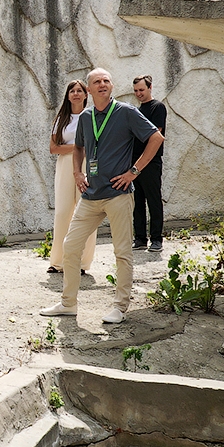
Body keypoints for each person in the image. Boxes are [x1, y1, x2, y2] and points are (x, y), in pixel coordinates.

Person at [41, 68, 164, 324]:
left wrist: (133, 171)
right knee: (70, 246)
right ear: (89, 89)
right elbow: (79, 147)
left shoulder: (127, 112)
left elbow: (156, 137)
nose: (102, 84)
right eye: (97, 81)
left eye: (107, 80)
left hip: (118, 194)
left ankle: (119, 307)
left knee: (122, 252)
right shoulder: (86, 117)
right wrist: (77, 172)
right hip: (91, 195)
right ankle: (68, 303)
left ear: (112, 86)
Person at [48, 80, 96, 275]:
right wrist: (78, 146)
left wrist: (79, 148)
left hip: (88, 165)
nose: (76, 93)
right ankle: (58, 262)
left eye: (80, 90)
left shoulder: (93, 116)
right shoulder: (61, 119)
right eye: (72, 91)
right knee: (63, 213)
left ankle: (82, 263)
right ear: (68, 96)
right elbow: (53, 148)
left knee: (86, 212)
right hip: (65, 165)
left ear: (86, 94)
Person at [131, 75, 167, 252]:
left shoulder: (157, 107)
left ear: (150, 87)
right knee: (137, 201)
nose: (139, 93)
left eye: (141, 90)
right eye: (136, 90)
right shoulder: (136, 110)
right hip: (134, 161)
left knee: (153, 200)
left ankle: (157, 239)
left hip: (151, 161)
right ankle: (139, 238)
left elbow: (155, 134)